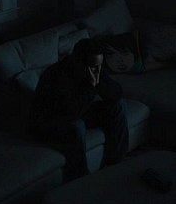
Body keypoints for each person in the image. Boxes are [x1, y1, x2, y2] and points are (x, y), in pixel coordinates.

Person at [28, 38, 129, 181]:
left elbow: (117, 93)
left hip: (76, 111)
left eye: (99, 66)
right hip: (49, 120)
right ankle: (80, 178)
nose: (97, 70)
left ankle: (116, 162)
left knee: (118, 106)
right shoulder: (58, 75)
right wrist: (91, 86)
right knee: (77, 126)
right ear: (78, 62)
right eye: (94, 67)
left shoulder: (95, 67)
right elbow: (71, 112)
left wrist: (99, 82)